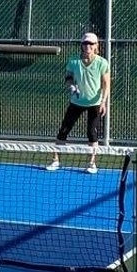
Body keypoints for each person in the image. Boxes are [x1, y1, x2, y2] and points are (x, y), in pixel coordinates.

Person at [46, 32, 111, 174]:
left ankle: (92, 163)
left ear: (96, 46)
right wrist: (71, 86)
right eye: (85, 43)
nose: (88, 46)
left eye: (91, 44)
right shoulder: (73, 61)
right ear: (81, 45)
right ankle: (56, 160)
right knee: (64, 130)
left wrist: (104, 102)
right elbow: (68, 77)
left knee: (91, 133)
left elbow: (106, 84)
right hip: (76, 102)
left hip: (95, 103)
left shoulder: (102, 62)